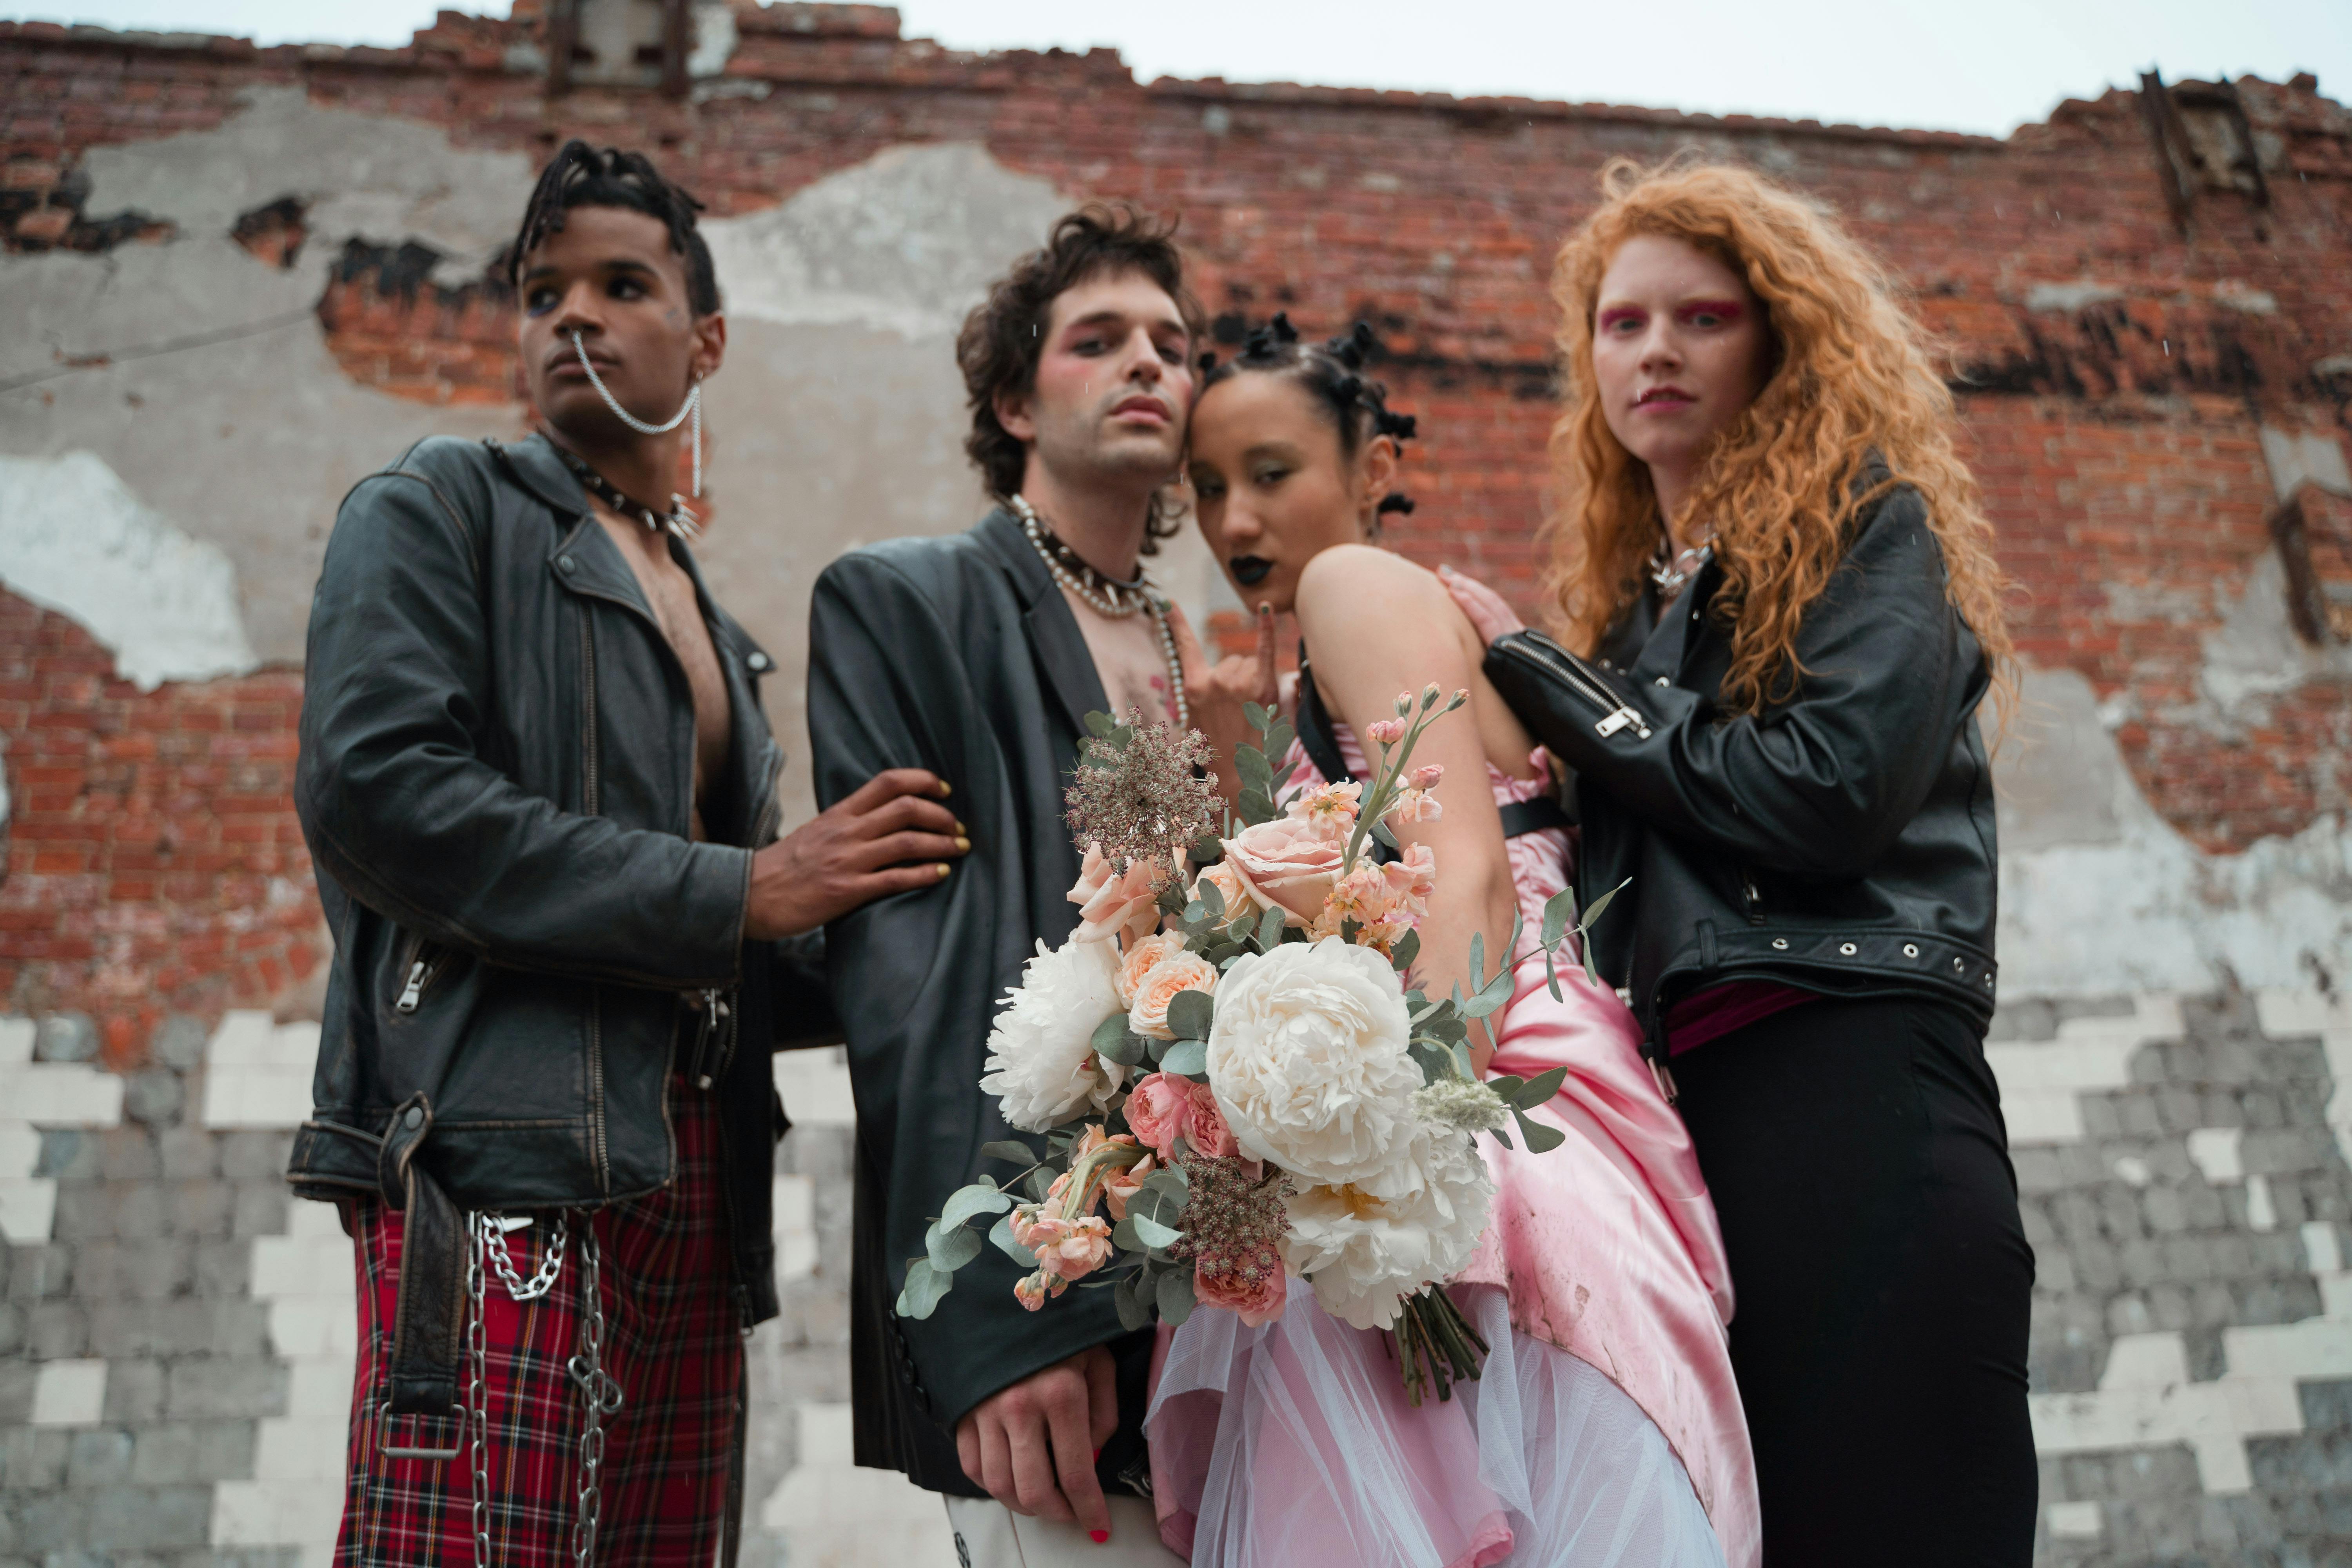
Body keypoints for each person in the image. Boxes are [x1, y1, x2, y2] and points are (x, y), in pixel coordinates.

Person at [291, 142, 966, 1565]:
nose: (572, 317)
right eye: (544, 292)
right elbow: (376, 793)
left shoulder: (717, 623)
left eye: (622, 284)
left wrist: (959, 933)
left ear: (705, 339)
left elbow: (727, 950)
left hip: (696, 1177)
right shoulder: (438, 507)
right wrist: (751, 884)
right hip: (495, 1161)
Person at [1442, 159, 2035, 1564]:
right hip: (1695, 1125)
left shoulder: (1874, 526)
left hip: (1852, 1083)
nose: (1654, 349)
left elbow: (1824, 795)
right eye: (1622, 322)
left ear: (1778, 338)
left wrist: (1539, 670)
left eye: (1702, 317)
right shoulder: (1646, 603)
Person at [1147, 316, 1759, 1568]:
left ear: (1374, 473)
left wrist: (1390, 1152)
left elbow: (1466, 873)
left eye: (1272, 473)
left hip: (1482, 1064)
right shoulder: (1422, 618)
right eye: (1206, 489)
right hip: (1531, 1046)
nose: (1233, 520)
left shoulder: (1355, 586)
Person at [807, 205, 1234, 1566]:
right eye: (1097, 341)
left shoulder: (1206, 654)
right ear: (1012, 396)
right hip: (1044, 1293)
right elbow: (911, 973)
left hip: (1226, 1287)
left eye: (1173, 345)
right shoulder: (905, 604)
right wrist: (999, 1317)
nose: (1148, 366)